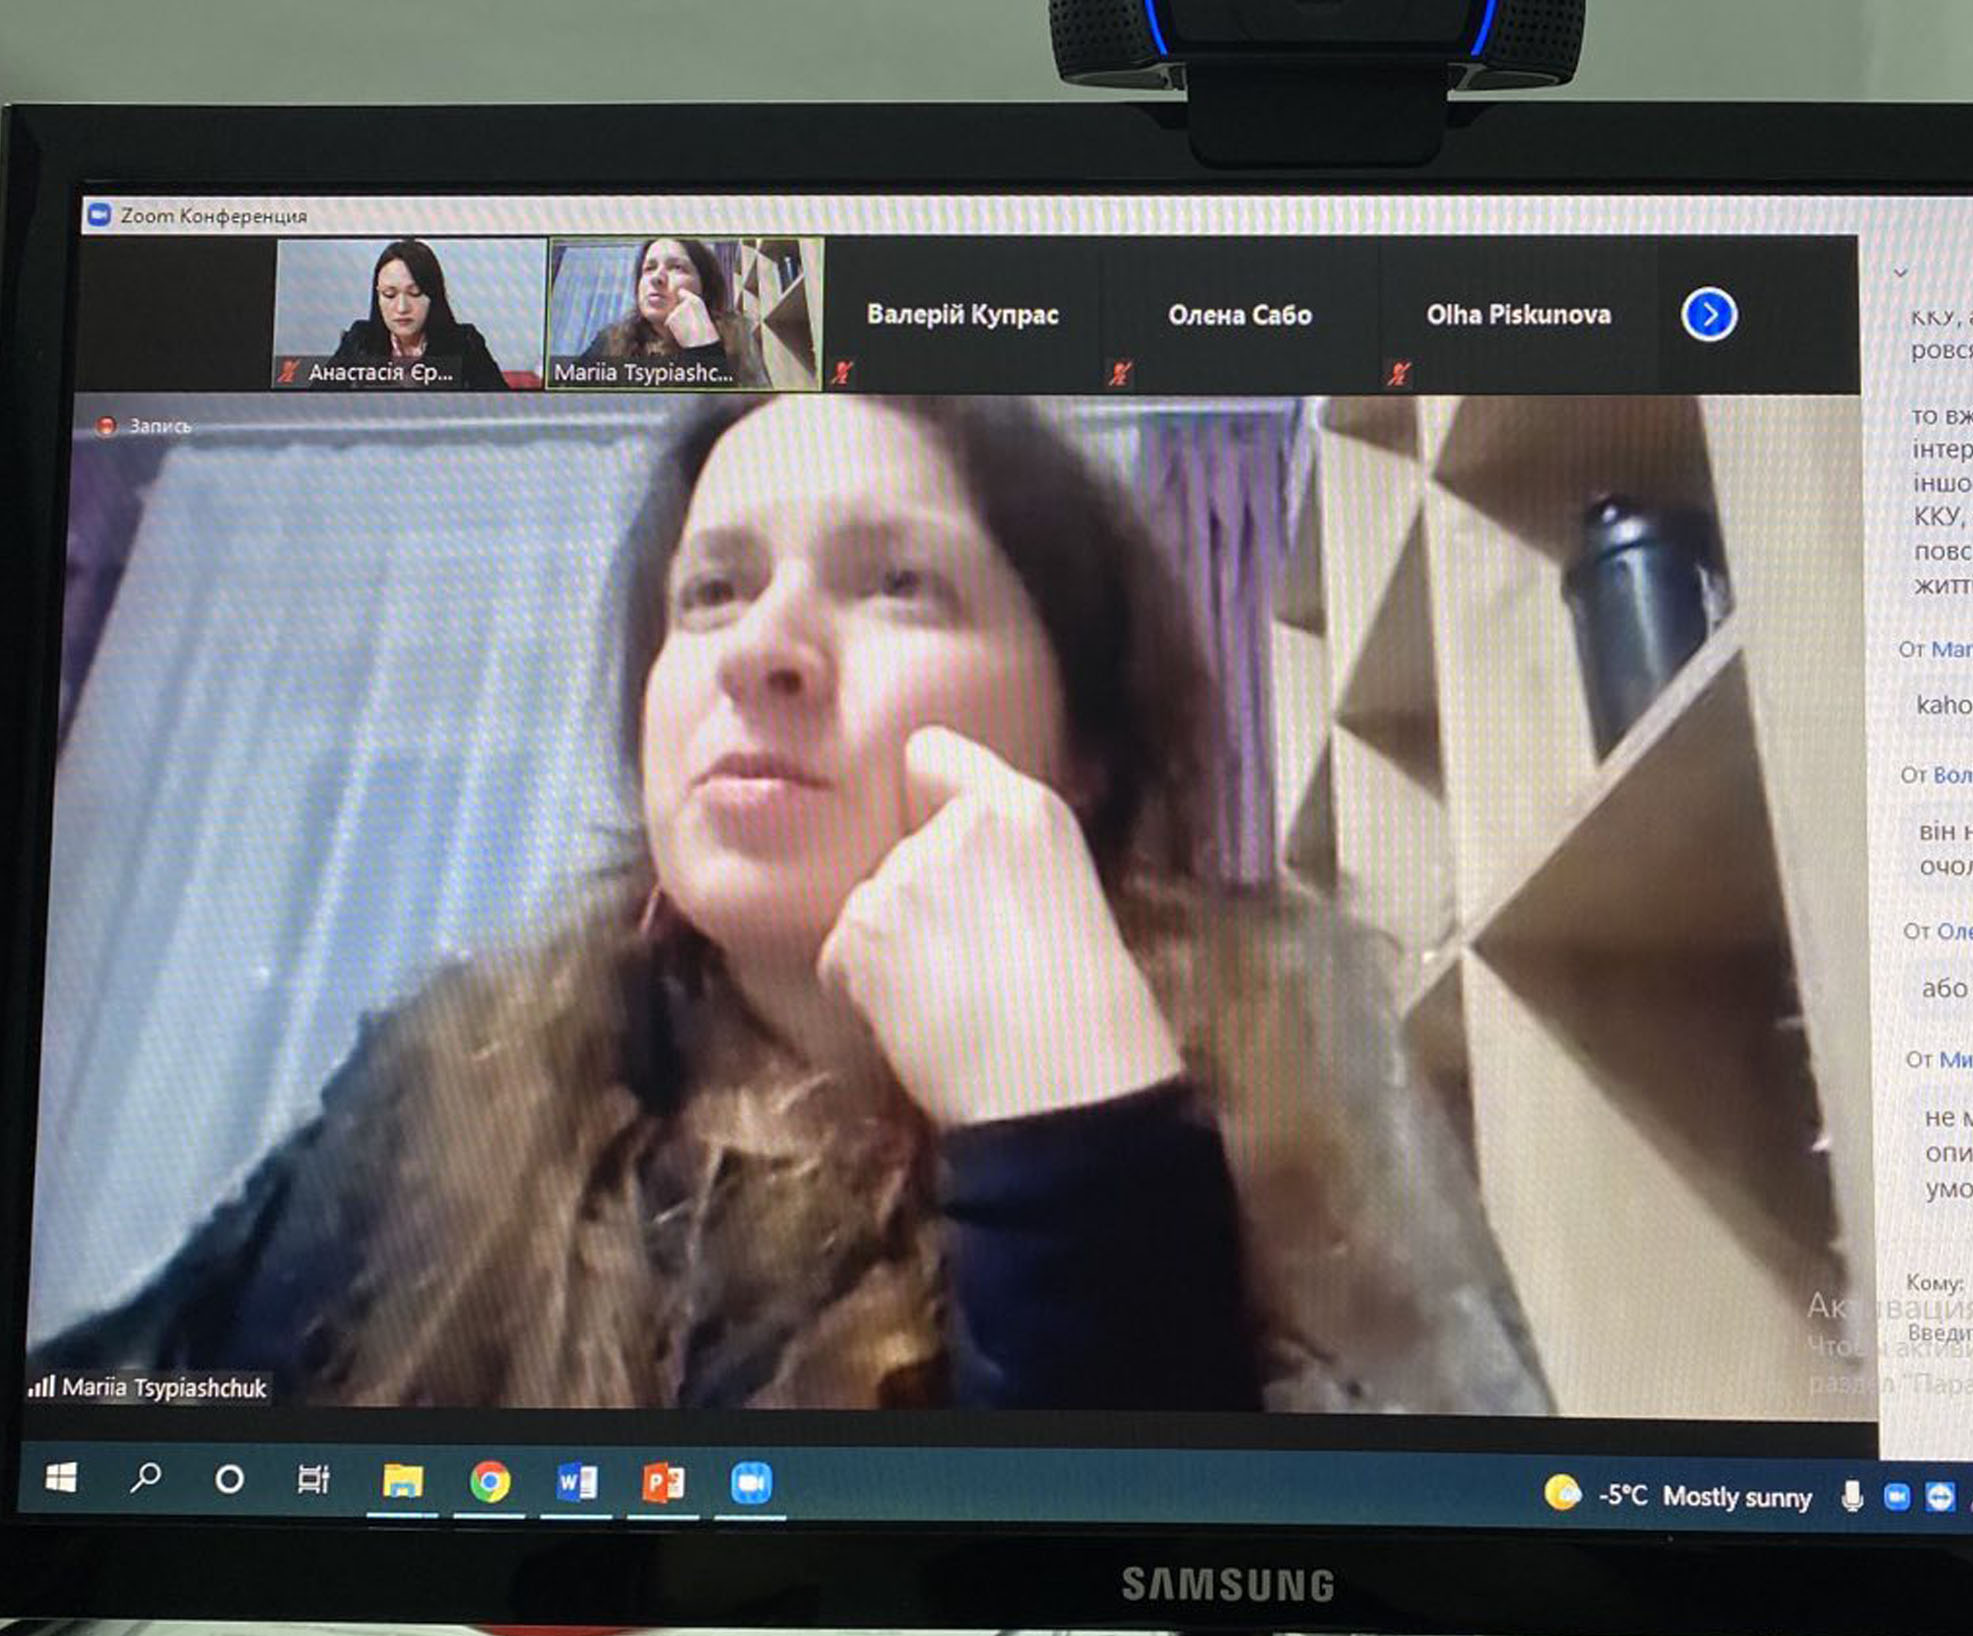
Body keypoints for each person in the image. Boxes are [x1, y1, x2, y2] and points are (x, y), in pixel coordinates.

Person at [29, 396, 1549, 1415]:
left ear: (1081, 746)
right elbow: (117, 1434)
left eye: (898, 583)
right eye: (710, 591)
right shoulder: (462, 1067)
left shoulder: (1285, 1026)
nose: (761, 649)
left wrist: (1076, 1143)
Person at [579, 238, 771, 388]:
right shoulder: (608, 341)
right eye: (649, 268)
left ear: (704, 287)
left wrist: (704, 349)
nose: (656, 277)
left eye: (677, 267)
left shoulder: (737, 337)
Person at [326, 239, 510, 390]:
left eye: (415, 293)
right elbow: (317, 404)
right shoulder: (359, 340)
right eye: (389, 294)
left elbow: (502, 409)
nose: (402, 308)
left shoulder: (466, 344)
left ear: (433, 296)